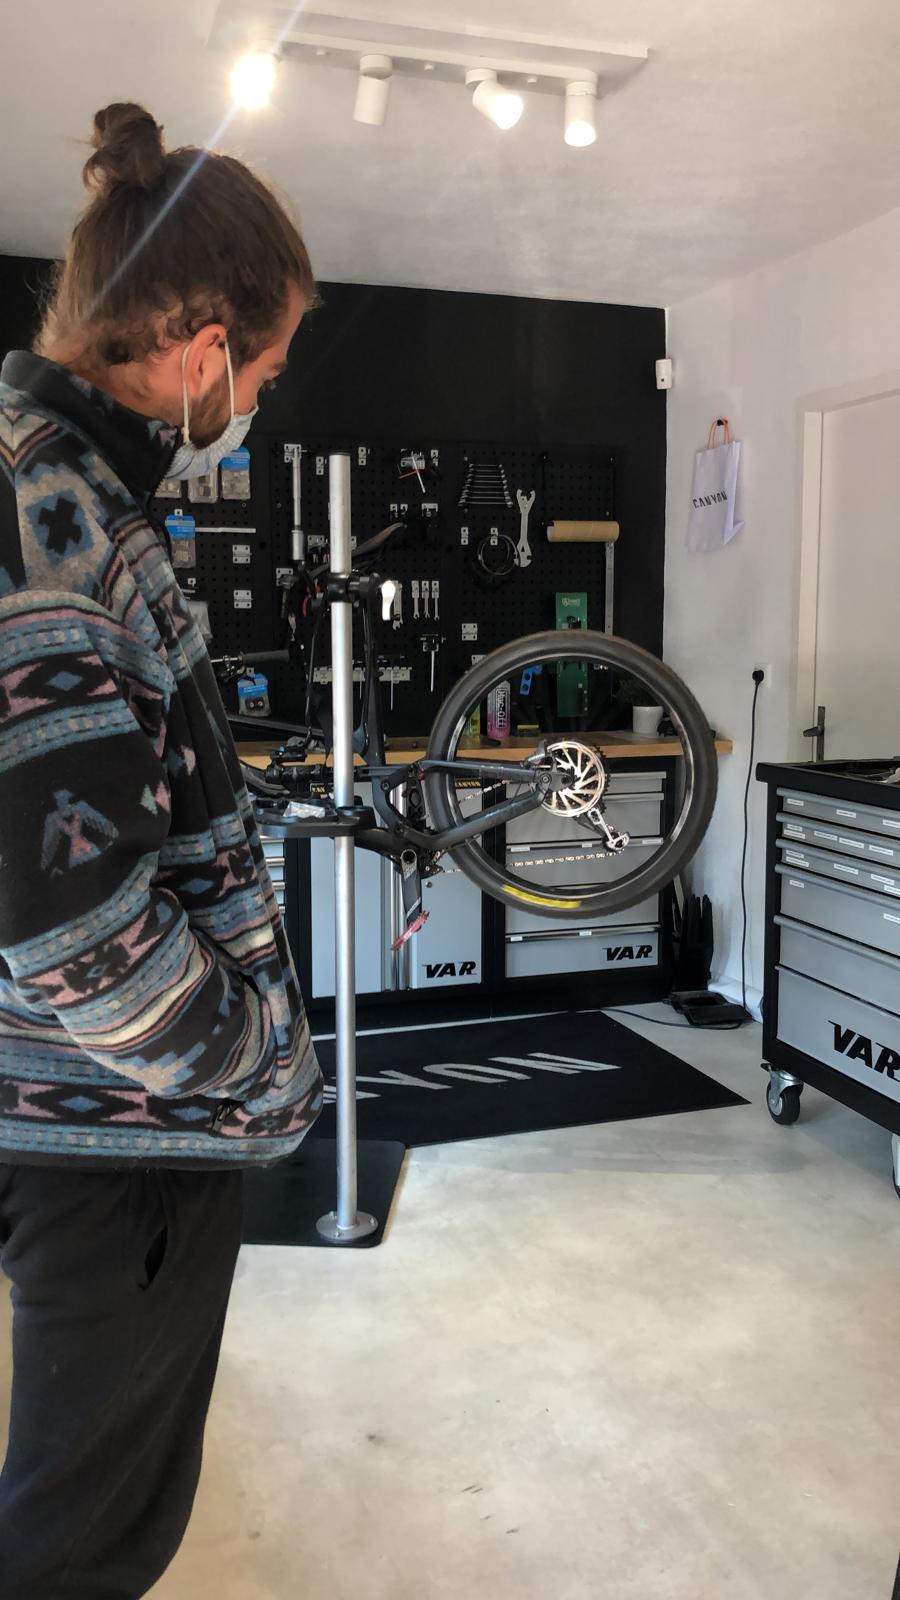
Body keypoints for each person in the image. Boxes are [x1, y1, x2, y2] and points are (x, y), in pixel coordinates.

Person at [0, 102, 324, 1598]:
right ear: (199, 352)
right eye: (263, 372)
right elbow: (78, 934)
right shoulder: (53, 522)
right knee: (87, 1538)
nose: (255, 402)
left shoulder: (62, 486)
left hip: (75, 1111)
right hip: (119, 1139)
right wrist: (261, 1068)